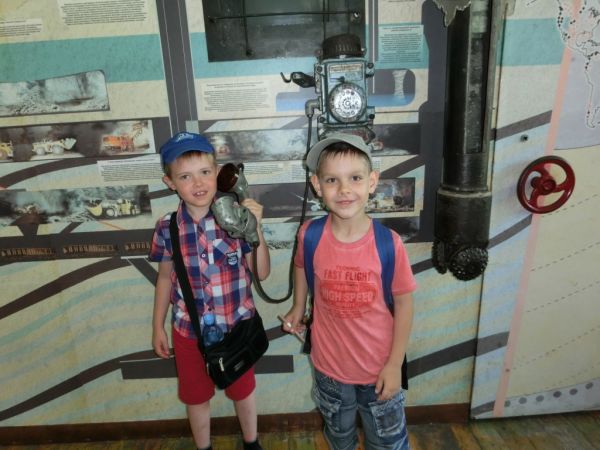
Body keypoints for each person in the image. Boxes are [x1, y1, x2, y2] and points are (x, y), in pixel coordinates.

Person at [282, 133, 416, 450]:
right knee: (339, 439)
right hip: (330, 371)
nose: (344, 189)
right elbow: (300, 265)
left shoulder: (389, 244)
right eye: (332, 180)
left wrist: (394, 364)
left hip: (379, 370)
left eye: (355, 178)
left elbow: (405, 305)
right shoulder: (310, 235)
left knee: (386, 443)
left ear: (372, 182)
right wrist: (298, 306)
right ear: (317, 185)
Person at [149, 132, 270, 450]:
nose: (198, 183)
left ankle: (251, 443)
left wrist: (256, 227)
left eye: (205, 172)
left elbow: (262, 272)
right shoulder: (167, 227)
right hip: (189, 332)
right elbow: (165, 279)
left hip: (237, 327)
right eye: (185, 176)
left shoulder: (236, 218)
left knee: (243, 390)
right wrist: (157, 325)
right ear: (170, 182)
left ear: (217, 172)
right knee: (196, 397)